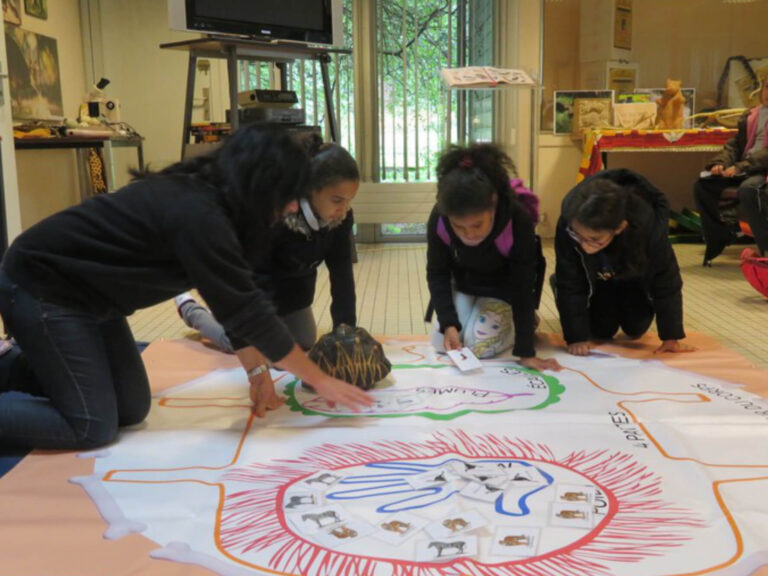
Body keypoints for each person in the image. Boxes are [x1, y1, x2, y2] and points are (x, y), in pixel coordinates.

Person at [0, 125, 372, 451]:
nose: (294, 205)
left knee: (130, 409)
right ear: (261, 183)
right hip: (42, 288)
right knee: (90, 425)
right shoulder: (200, 214)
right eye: (289, 193)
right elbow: (244, 309)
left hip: (95, 301)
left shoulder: (230, 208)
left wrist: (258, 375)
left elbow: (237, 299)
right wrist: (318, 379)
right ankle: (26, 362)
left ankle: (16, 367)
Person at [174, 139, 359, 353]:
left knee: (304, 343)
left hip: (295, 293)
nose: (343, 209)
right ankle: (190, 309)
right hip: (254, 289)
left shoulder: (341, 219)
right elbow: (251, 276)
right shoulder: (277, 215)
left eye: (349, 200)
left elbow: (342, 275)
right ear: (310, 189)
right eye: (337, 200)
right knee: (244, 345)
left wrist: (346, 333)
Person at [425, 143, 561, 372]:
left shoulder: (517, 219)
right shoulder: (440, 217)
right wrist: (448, 323)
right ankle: (473, 320)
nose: (469, 233)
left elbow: (523, 283)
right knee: (442, 343)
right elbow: (437, 272)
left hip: (503, 290)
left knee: (479, 347)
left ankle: (526, 322)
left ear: (494, 203)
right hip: (465, 285)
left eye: (477, 224)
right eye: (459, 226)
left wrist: (525, 350)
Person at [554, 168, 694, 356]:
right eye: (578, 236)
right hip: (599, 278)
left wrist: (671, 337)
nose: (585, 246)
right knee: (601, 330)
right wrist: (575, 337)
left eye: (595, 239)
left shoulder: (648, 227)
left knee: (635, 328)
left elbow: (666, 280)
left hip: (632, 275)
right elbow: (570, 281)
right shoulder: (569, 222)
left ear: (620, 227)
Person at [693, 74, 768, 265]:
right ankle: (721, 236)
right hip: (743, 167)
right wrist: (720, 164)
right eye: (767, 88)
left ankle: (765, 249)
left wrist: (740, 167)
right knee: (703, 186)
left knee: (749, 190)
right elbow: (734, 145)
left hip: (762, 170)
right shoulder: (752, 115)